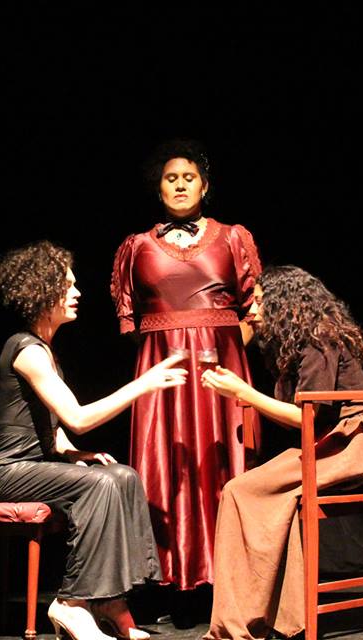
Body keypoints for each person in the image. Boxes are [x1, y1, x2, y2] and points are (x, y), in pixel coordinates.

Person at [0, 241, 188, 640]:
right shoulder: (26, 350)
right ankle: (73, 602)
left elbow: (50, 426)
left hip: (35, 464)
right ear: (43, 291)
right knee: (99, 485)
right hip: (7, 470)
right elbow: (77, 417)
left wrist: (75, 453)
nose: (77, 292)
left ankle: (112, 600)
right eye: (67, 285)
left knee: (122, 475)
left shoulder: (45, 350)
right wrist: (142, 384)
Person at [110, 140, 263, 612]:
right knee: (164, 466)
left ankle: (230, 580)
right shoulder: (135, 247)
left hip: (221, 375)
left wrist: (226, 351)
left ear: (205, 185)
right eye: (171, 178)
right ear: (158, 189)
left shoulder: (233, 237)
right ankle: (165, 580)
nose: (180, 185)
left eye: (189, 177)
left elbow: (255, 310)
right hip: (163, 378)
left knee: (225, 466)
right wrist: (171, 350)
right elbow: (131, 324)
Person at [199, 266, 363, 640]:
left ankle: (243, 622)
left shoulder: (320, 341)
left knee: (239, 491)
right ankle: (278, 615)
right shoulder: (296, 348)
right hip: (323, 446)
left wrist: (245, 394)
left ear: (285, 304)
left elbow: (308, 418)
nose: (253, 311)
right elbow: (302, 420)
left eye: (260, 302)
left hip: (348, 445)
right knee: (252, 492)